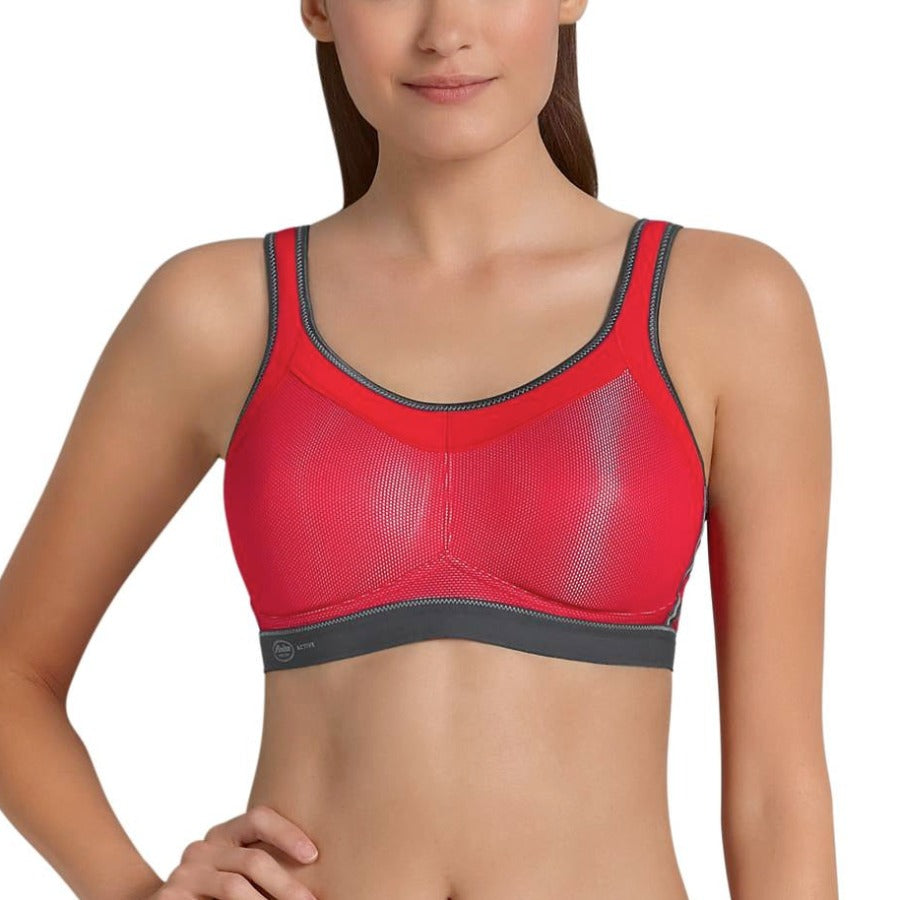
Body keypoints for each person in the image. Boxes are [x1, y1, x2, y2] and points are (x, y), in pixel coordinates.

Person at [0, 1, 838, 898]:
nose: (444, 31)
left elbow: (776, 792)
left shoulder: (727, 307)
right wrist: (133, 895)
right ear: (318, 8)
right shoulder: (218, 314)